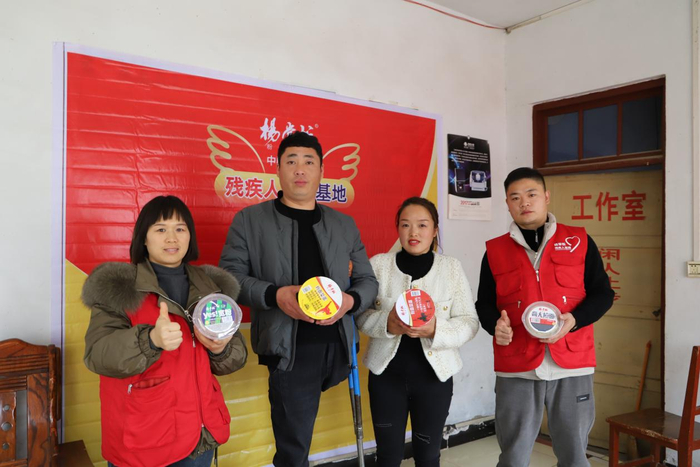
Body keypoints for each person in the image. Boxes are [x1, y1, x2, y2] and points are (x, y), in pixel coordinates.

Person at [219, 131, 378, 467]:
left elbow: (367, 282)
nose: (300, 169)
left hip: (338, 346)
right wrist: (274, 295)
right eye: (291, 161)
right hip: (289, 351)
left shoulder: (343, 224)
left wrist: (349, 302)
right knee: (294, 450)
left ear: (321, 171)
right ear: (278, 169)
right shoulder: (250, 221)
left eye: (309, 161)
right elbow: (229, 279)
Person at [82, 195, 248, 467]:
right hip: (143, 438)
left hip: (200, 433)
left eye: (180, 229)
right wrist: (150, 340)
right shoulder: (118, 288)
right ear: (144, 239)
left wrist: (221, 348)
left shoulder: (211, 287)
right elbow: (98, 355)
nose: (172, 238)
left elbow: (236, 355)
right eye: (160, 229)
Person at [475, 168, 615, 467]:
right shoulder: (495, 250)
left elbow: (603, 294)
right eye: (515, 197)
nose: (524, 202)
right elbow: (484, 303)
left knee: (574, 455)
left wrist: (574, 319)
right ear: (507, 204)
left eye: (531, 194)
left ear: (546, 197)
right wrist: (494, 326)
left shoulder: (578, 240)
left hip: (572, 363)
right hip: (516, 365)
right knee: (513, 456)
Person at [356, 197, 480, 467]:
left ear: (435, 230)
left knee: (428, 456)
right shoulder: (378, 265)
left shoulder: (451, 268)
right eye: (405, 225)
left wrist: (436, 329)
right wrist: (387, 324)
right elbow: (360, 315)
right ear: (398, 229)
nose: (413, 232)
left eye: (422, 225)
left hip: (434, 379)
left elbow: (470, 322)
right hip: (386, 378)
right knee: (387, 456)